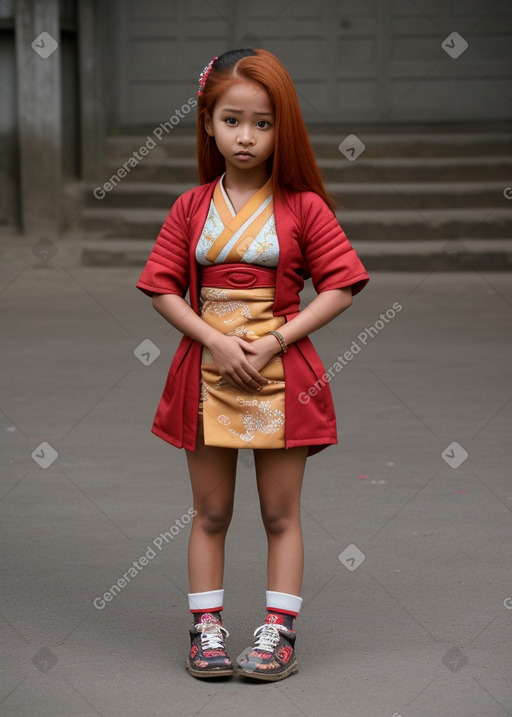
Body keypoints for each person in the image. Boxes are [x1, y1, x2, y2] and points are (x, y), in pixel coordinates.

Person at [136, 48, 369, 682]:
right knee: (209, 513)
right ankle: (205, 627)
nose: (247, 136)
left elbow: (342, 285)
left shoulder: (305, 207)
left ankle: (278, 633)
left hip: (281, 375)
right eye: (232, 120)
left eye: (264, 123)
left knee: (279, 514)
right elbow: (160, 286)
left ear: (282, 128)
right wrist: (212, 339)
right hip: (209, 375)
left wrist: (276, 341)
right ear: (207, 122)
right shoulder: (190, 207)